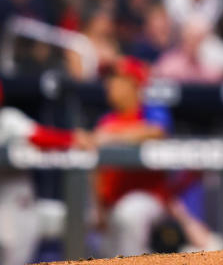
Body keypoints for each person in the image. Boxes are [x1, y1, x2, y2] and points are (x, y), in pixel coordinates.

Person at [0, 83, 94, 265]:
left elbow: (38, 136)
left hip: (17, 201)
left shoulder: (6, 118)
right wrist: (72, 138)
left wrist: (71, 139)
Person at [93, 57, 172, 257]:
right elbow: (95, 169)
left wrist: (113, 136)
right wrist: (98, 206)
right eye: (109, 79)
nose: (109, 84)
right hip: (111, 201)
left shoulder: (151, 111)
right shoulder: (106, 120)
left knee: (129, 214)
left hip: (148, 197)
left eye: (117, 79)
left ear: (134, 84)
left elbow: (157, 131)